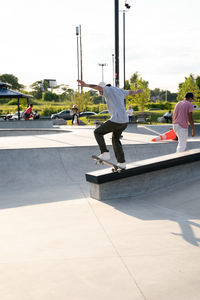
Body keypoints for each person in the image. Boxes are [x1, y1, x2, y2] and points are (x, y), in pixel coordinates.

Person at [77, 80, 143, 169]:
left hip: (117, 120)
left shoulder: (107, 89)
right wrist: (137, 92)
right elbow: (130, 92)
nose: (100, 93)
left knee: (97, 132)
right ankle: (121, 162)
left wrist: (86, 85)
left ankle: (104, 153)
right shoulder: (119, 90)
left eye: (100, 92)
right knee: (115, 139)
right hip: (125, 121)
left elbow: (99, 87)